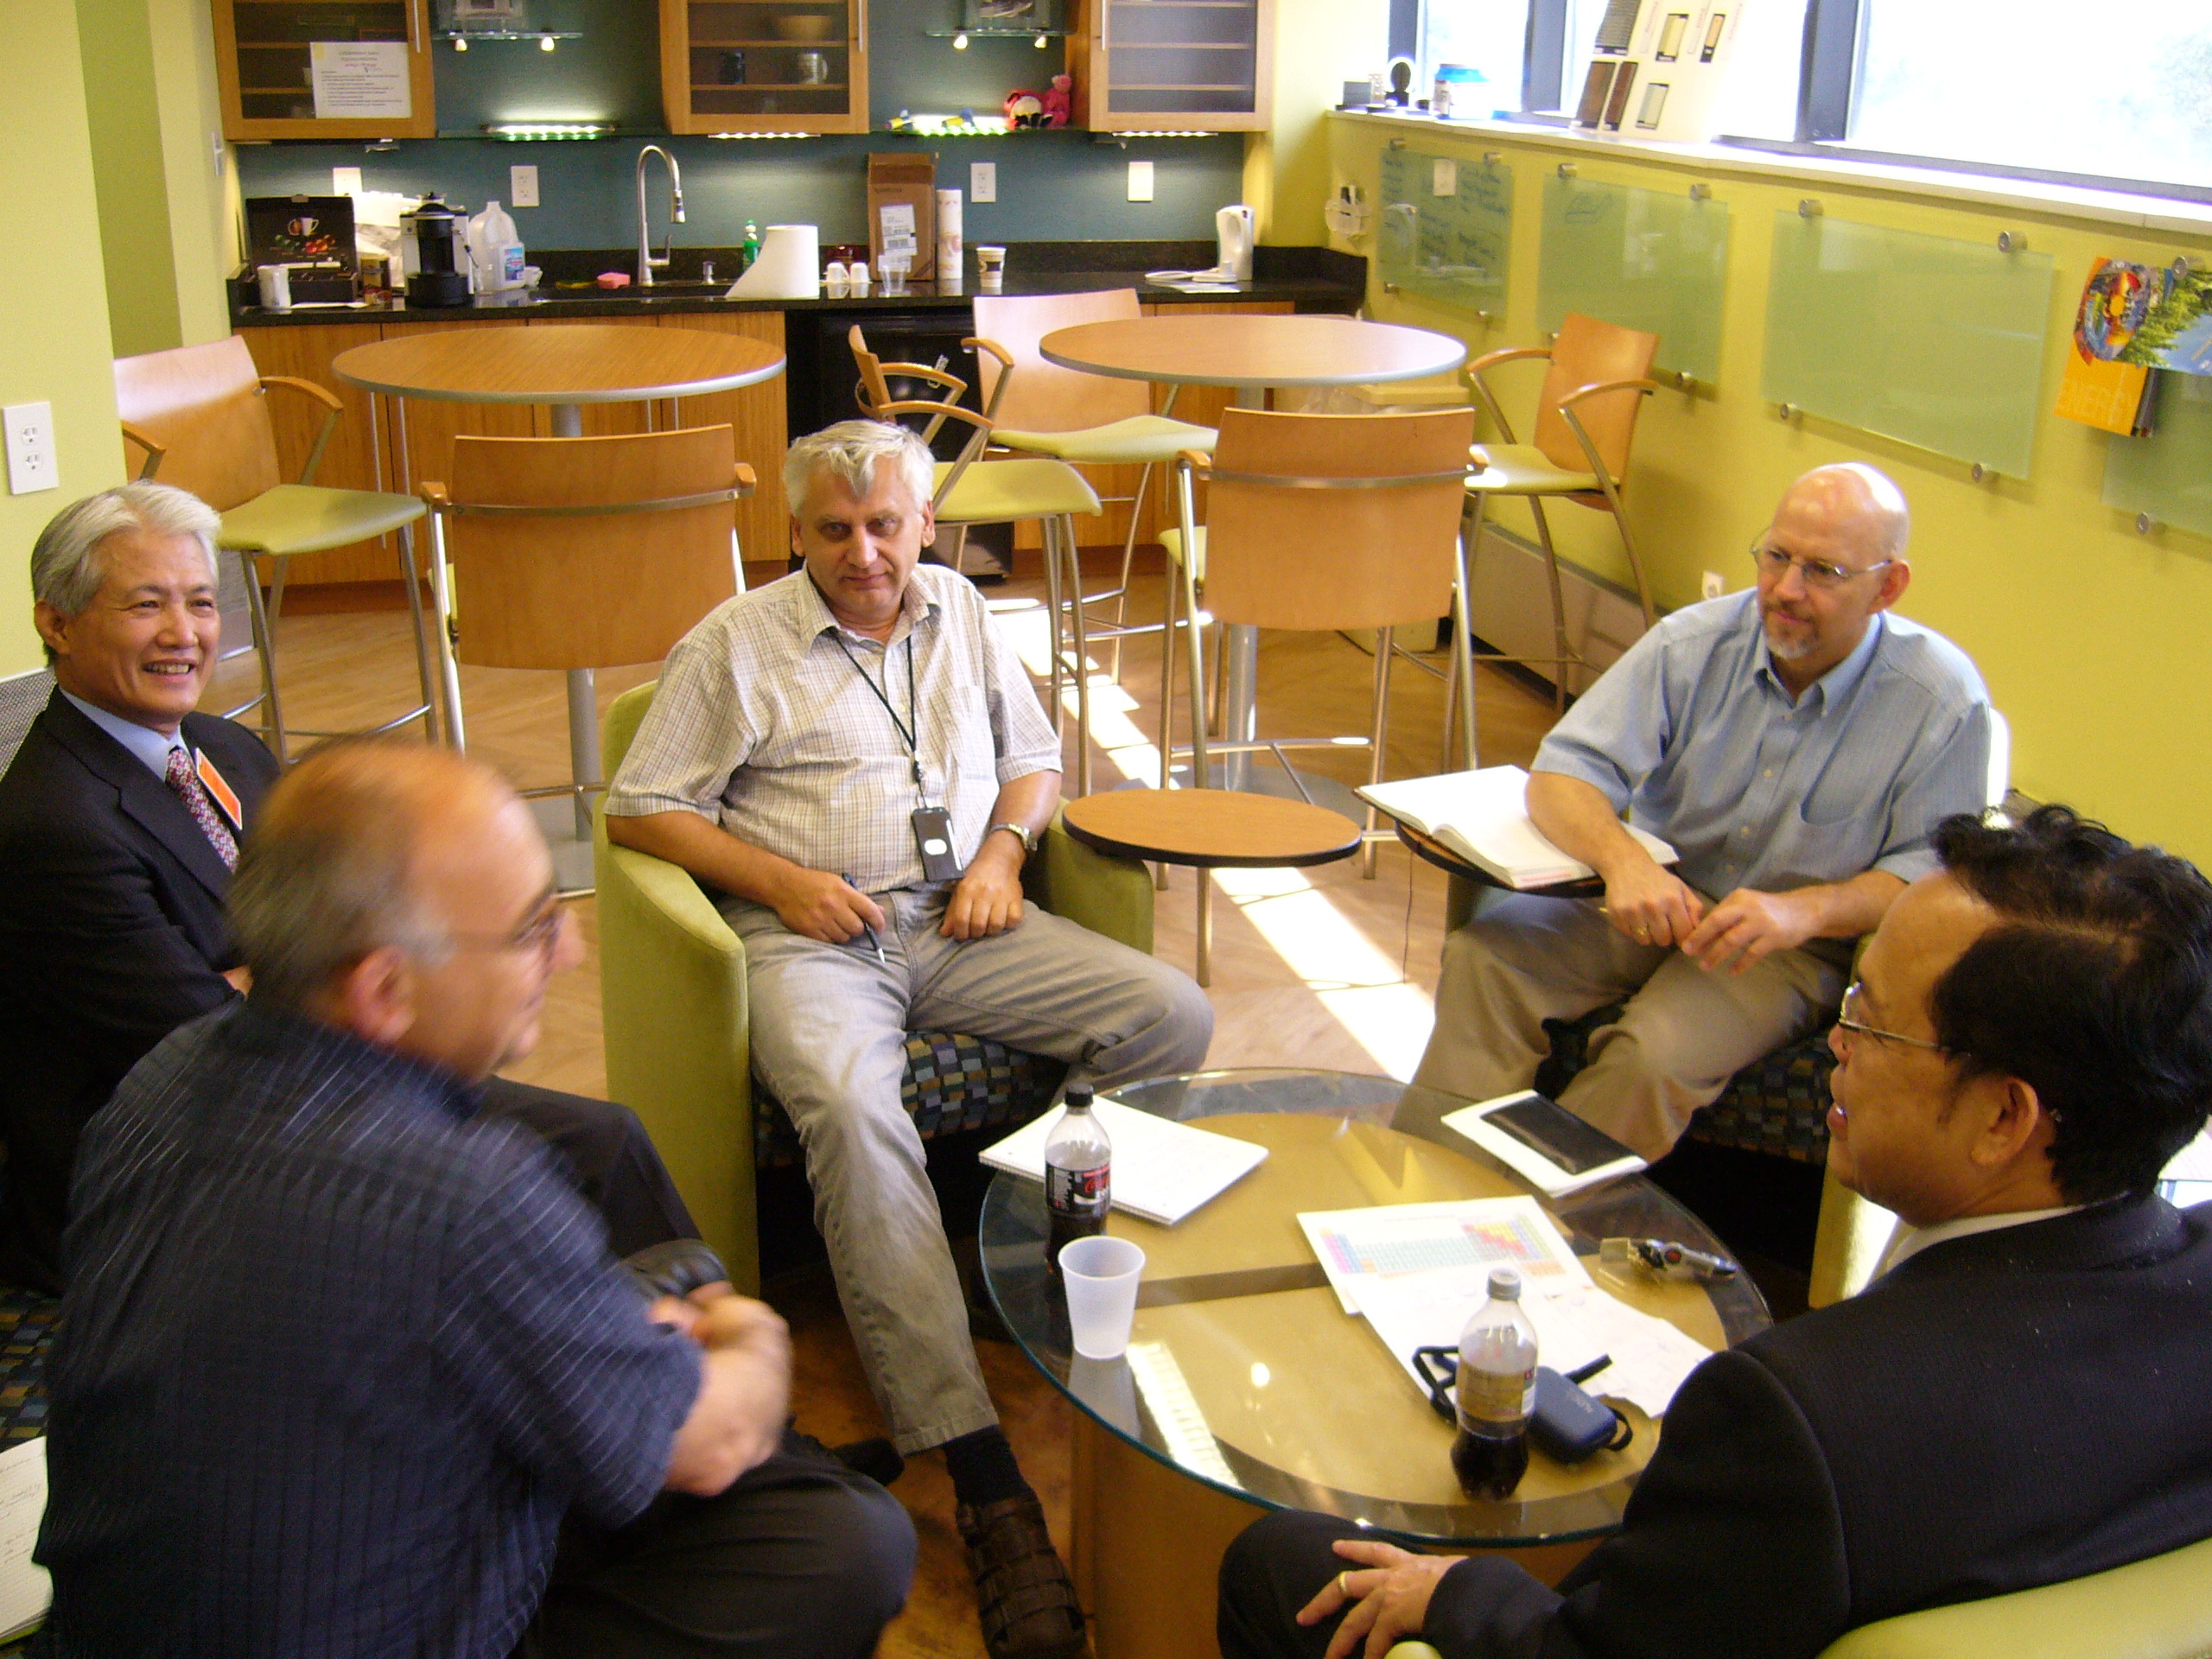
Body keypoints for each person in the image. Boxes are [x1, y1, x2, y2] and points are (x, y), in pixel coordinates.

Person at [1218, 804, 2212, 1659]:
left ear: (2004, 1117)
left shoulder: (1800, 1416)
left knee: (1280, 1561)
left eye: (1872, 1020)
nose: (1835, 1041)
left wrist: (1456, 1592)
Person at [36, 741, 916, 1658]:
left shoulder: (156, 1083)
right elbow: (709, 1444)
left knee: (602, 1158)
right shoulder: (464, 1195)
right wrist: (746, 1334)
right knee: (849, 1544)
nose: (570, 951)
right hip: (400, 1629)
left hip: (128, 1622)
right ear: (385, 987)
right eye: (533, 929)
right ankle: (780, 1457)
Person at [605, 419, 1214, 1659]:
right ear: (794, 533)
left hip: (962, 920)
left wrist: (1003, 855)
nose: (864, 553)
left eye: (885, 525)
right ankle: (983, 1474)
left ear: (926, 524)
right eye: (834, 530)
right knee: (849, 1108)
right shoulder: (734, 644)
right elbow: (640, 808)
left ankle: (1019, 1255)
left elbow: (1033, 760)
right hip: (812, 938)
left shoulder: (964, 612)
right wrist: (781, 884)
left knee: (1171, 1013)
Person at [0, 481, 698, 1292]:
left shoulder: (223, 748)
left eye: (200, 602)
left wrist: (293, 968)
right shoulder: (53, 824)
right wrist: (329, 966)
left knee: (587, 1145)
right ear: (57, 622)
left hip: (312, 1079)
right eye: (146, 605)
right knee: (587, 1153)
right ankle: (665, 1358)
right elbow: (210, 1036)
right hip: (179, 1163)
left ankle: (643, 1350)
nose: (183, 633)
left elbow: (352, 915)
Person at [1412, 462, 1993, 1160]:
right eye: (1776, 556)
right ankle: (1428, 1181)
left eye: (1823, 571)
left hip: (1788, 947)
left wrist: (1804, 911)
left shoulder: (1941, 701)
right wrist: (1625, 863)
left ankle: (1532, 1211)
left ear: (1888, 585)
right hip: (1659, 897)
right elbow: (1564, 773)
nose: (1786, 589)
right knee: (1485, 962)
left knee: (1651, 1055)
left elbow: (1932, 878)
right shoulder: (1692, 643)